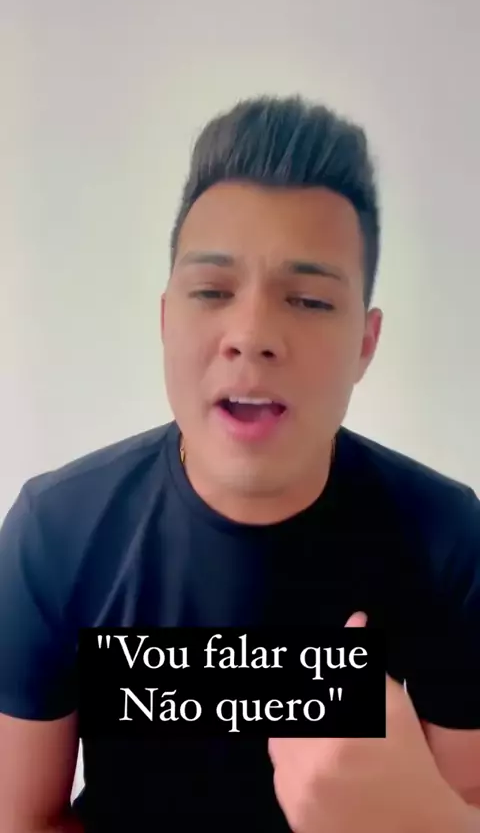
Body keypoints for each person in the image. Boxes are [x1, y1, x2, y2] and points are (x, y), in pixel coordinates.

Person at [0, 95, 479, 833]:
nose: (252, 334)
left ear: (365, 343)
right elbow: (24, 820)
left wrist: (424, 822)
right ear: (167, 320)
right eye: (212, 291)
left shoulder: (447, 537)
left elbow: (467, 802)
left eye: (309, 300)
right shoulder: (55, 532)